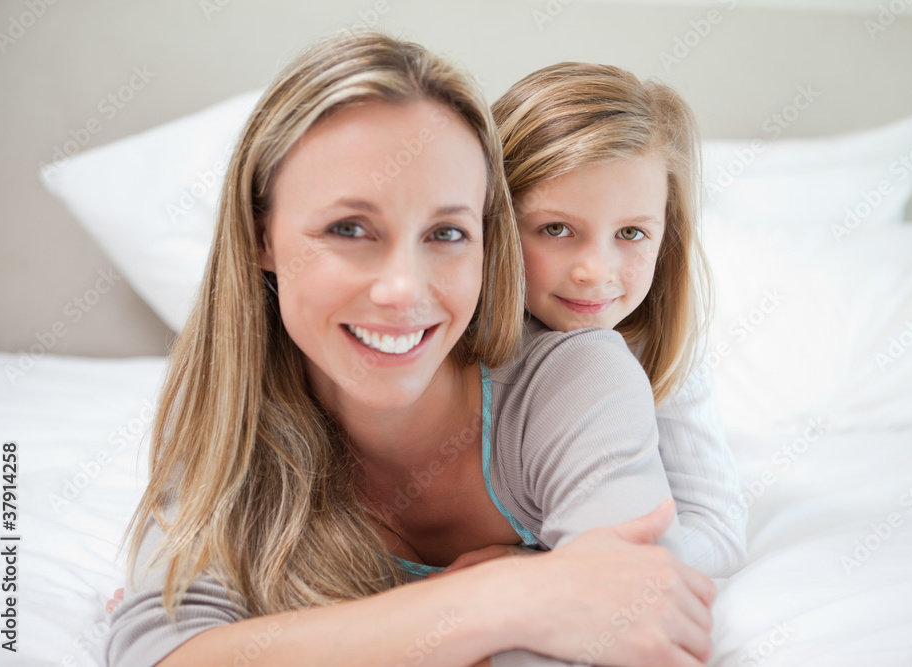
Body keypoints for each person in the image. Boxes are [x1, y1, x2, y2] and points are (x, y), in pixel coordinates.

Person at [103, 31, 716, 667]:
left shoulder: (578, 377)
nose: (403, 289)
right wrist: (503, 599)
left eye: (448, 232)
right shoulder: (228, 404)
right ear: (262, 236)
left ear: (488, 241)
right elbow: (162, 653)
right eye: (349, 228)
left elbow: (631, 621)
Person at [490, 63, 747, 578]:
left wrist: (548, 562)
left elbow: (717, 529)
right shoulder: (449, 339)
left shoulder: (656, 346)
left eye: (631, 234)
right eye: (556, 228)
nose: (595, 272)